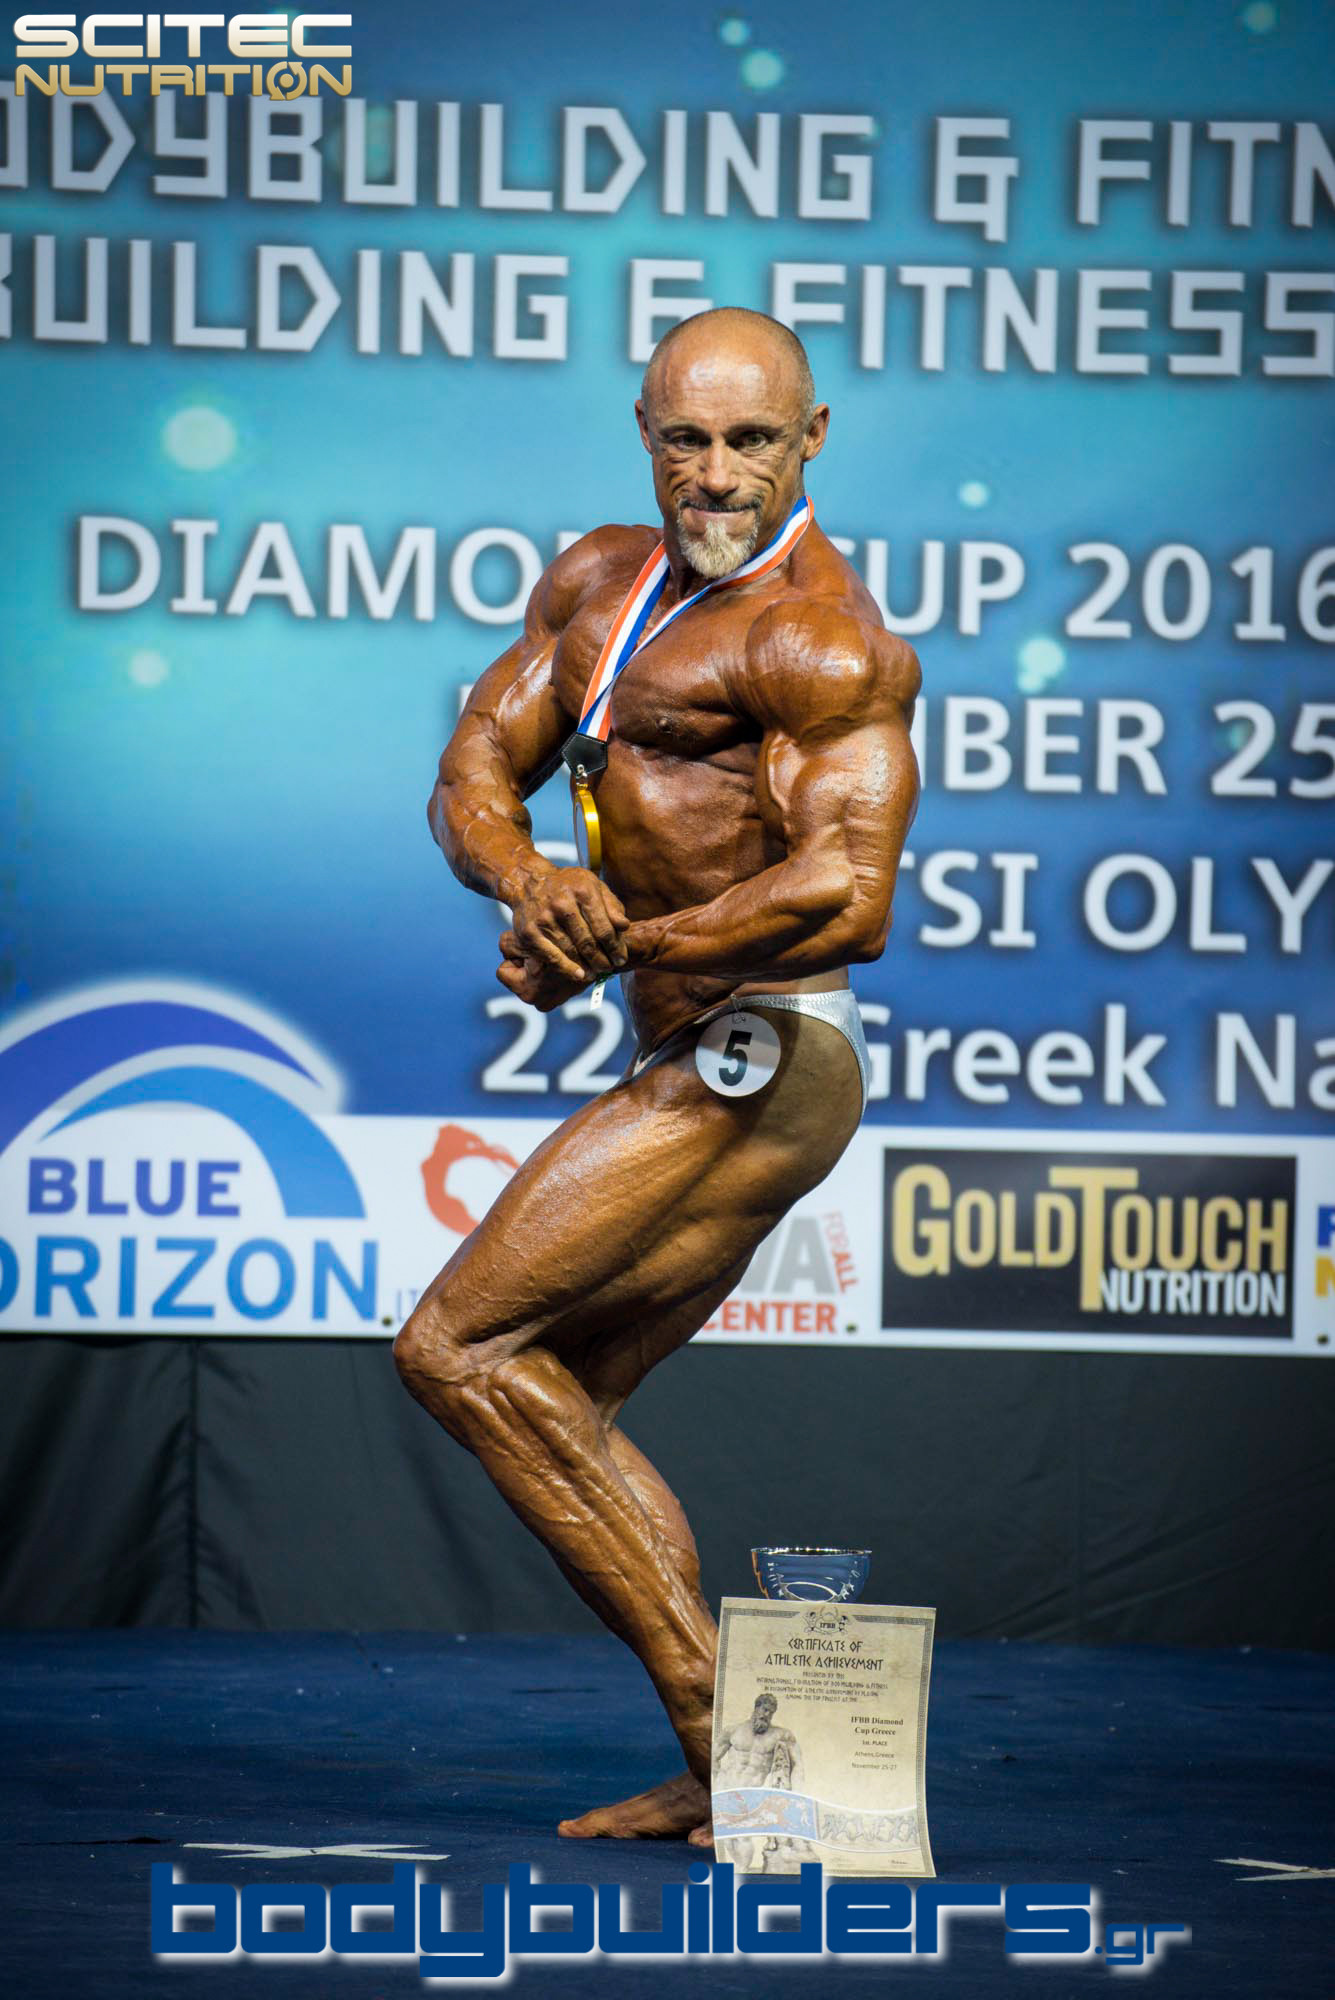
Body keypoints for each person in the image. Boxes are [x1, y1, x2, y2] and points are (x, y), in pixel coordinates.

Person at [394, 306, 920, 1843]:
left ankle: (746, 1750)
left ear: (811, 441)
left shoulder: (823, 638)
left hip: (767, 1054)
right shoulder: (597, 584)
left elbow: (851, 896)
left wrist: (618, 941)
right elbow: (473, 769)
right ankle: (759, 1766)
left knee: (455, 1350)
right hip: (692, 1043)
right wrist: (530, 883)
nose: (717, 472)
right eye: (687, 438)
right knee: (551, 1400)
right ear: (644, 433)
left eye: (752, 440)